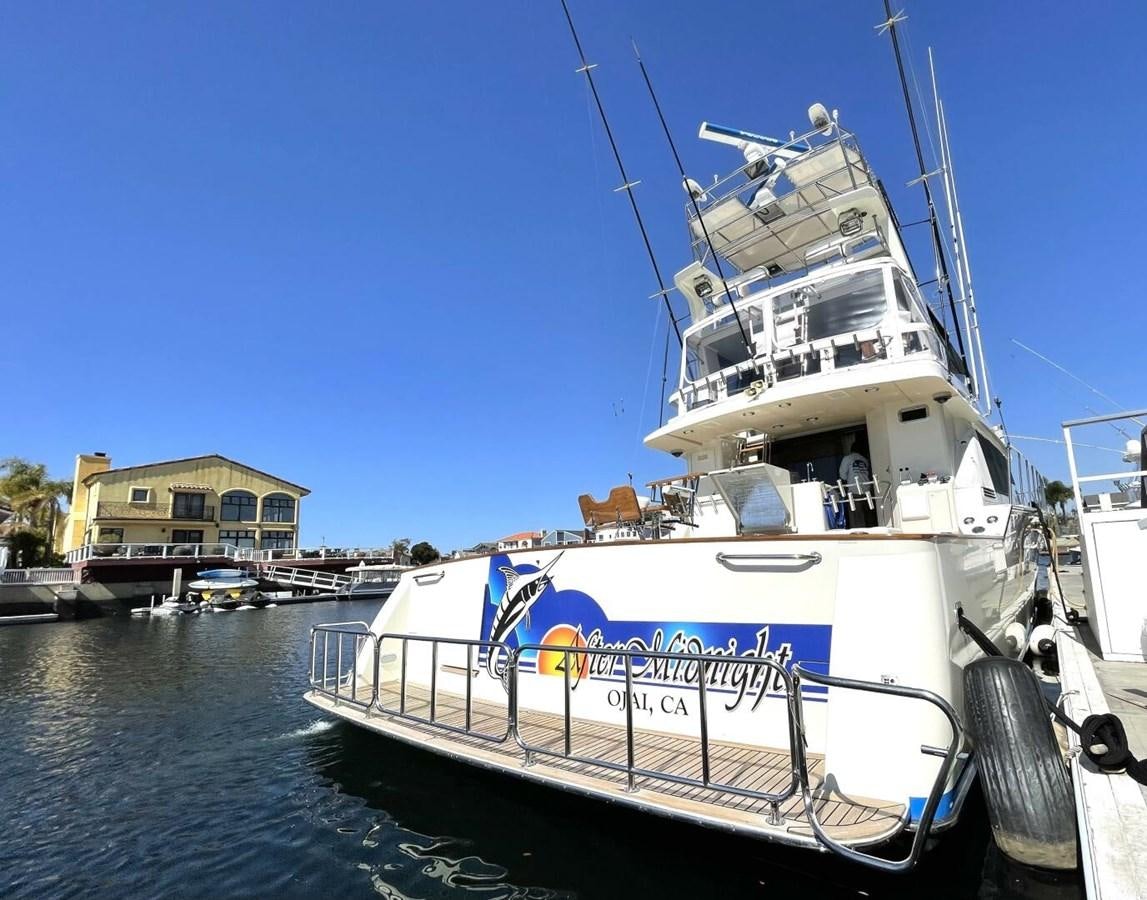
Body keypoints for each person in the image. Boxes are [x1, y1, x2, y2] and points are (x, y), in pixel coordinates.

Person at [839, 434, 874, 527]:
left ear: (851, 450)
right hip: (867, 491)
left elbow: (842, 476)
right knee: (868, 518)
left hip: (854, 492)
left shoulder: (847, 459)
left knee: (857, 519)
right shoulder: (865, 460)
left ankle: (859, 538)